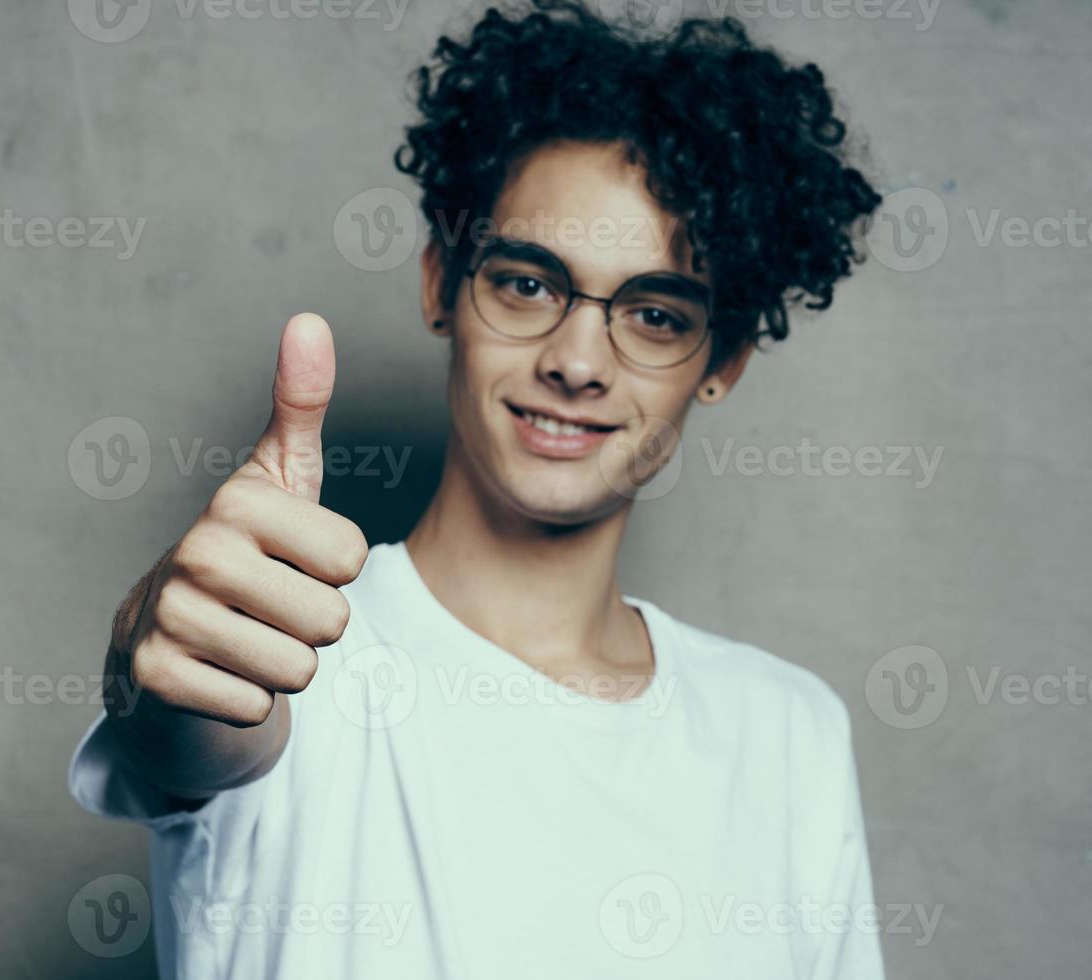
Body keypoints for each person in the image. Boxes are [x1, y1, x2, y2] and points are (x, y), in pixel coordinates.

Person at [70, 2, 885, 976]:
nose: (579, 360)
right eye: (529, 283)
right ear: (439, 284)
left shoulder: (787, 733)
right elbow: (190, 720)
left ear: (724, 359)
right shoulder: (283, 650)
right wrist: (158, 649)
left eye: (657, 312)